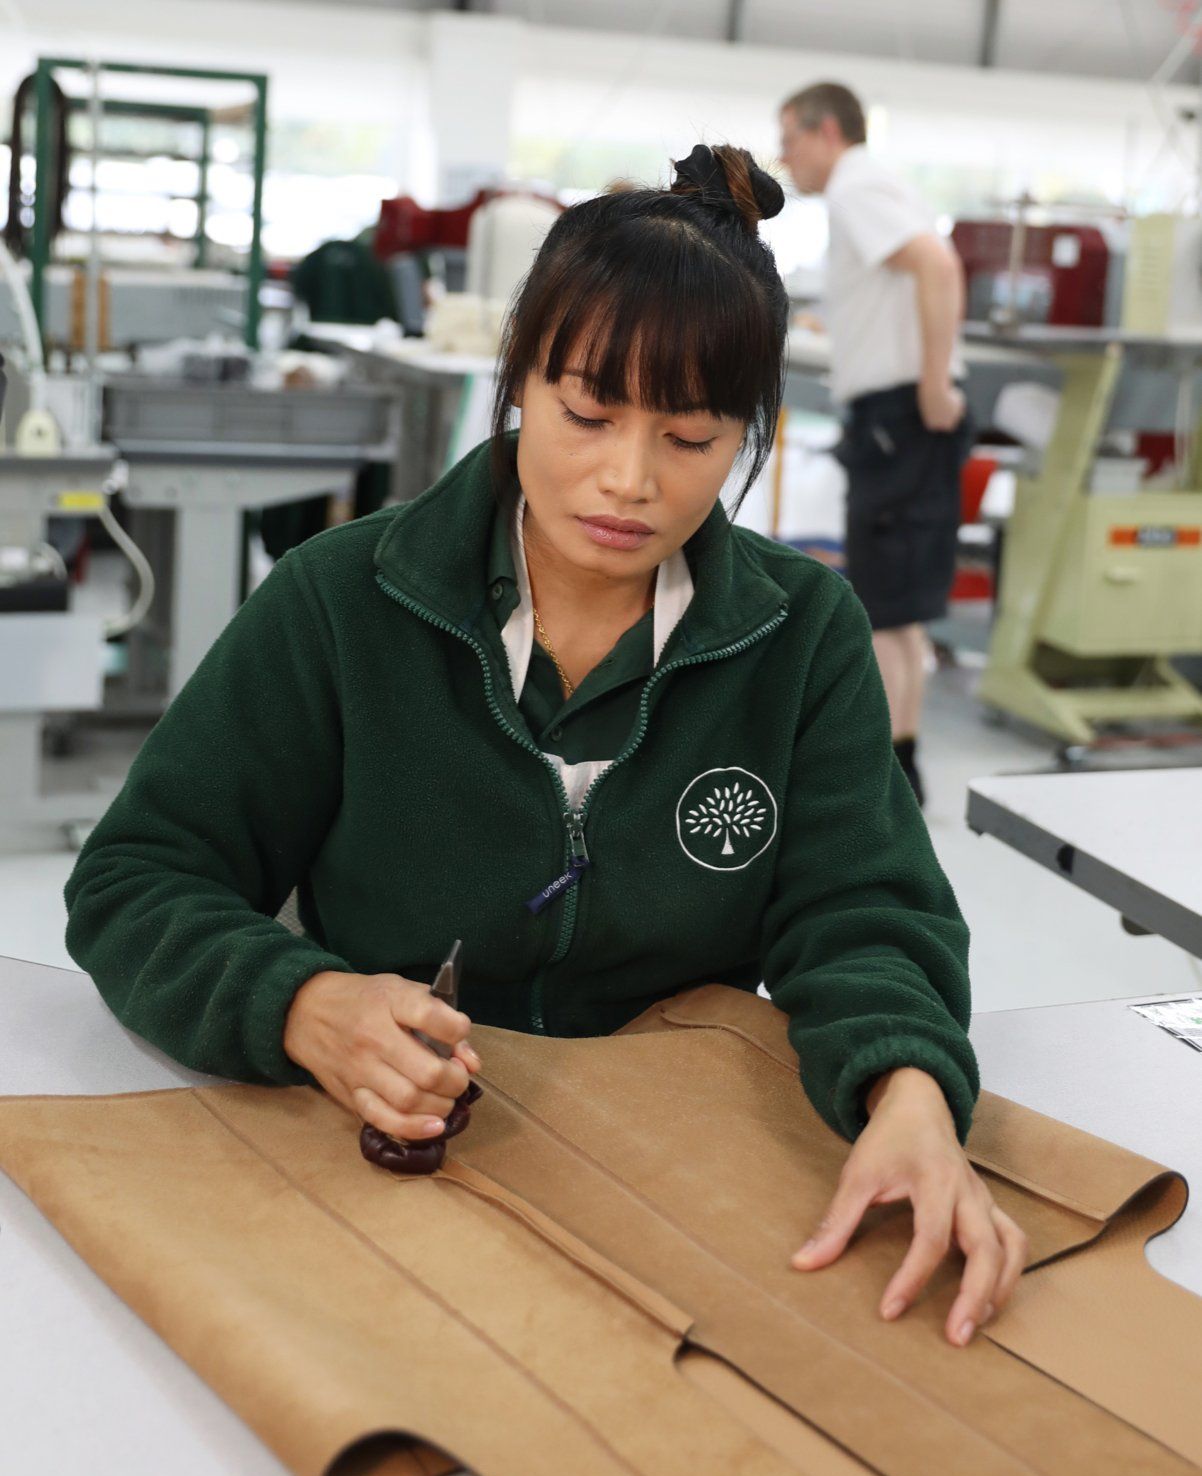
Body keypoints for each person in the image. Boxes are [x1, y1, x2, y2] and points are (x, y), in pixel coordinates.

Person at [65, 143, 1024, 1348]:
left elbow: (863, 913)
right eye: (585, 412)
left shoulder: (800, 634)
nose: (626, 480)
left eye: (690, 438)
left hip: (669, 1172)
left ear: (748, 435)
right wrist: (301, 1001)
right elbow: (136, 879)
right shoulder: (342, 600)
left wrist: (910, 1090)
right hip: (368, 1156)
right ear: (518, 381)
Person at [779, 83, 970, 807]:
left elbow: (937, 266)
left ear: (827, 131)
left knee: (887, 606)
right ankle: (902, 761)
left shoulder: (858, 185)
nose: (786, 158)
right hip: (894, 416)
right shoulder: (868, 190)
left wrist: (931, 383)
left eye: (790, 139)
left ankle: (894, 773)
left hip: (900, 416)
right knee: (898, 606)